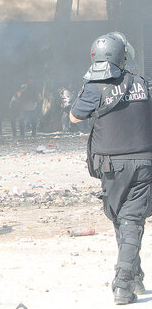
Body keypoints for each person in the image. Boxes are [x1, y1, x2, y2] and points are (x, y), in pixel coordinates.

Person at [70, 33, 152, 305]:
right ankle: (134, 276)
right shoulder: (141, 83)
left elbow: (73, 117)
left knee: (125, 220)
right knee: (130, 221)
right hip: (143, 163)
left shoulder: (95, 86)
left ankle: (123, 283)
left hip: (111, 166)